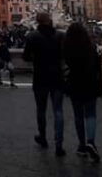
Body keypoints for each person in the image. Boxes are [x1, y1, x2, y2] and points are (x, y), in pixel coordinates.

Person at [23, 12, 66, 155]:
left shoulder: (32, 36)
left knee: (41, 109)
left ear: (37, 21)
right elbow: (64, 54)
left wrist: (36, 57)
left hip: (40, 76)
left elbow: (26, 56)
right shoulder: (60, 35)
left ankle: (43, 136)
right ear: (50, 21)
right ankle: (59, 143)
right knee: (58, 110)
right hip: (57, 76)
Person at [63, 22, 101, 162]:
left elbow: (66, 64)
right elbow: (98, 64)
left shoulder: (67, 47)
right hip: (90, 81)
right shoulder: (91, 46)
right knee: (91, 113)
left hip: (75, 82)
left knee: (78, 115)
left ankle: (81, 145)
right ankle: (91, 141)